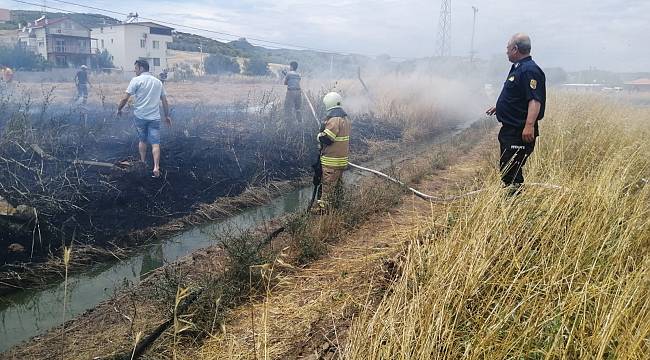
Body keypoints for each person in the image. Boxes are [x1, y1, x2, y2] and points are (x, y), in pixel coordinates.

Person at [486, 33, 546, 193]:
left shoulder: (529, 70)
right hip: (511, 130)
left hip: (519, 131)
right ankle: (511, 200)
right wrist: (500, 106)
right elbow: (518, 96)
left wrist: (529, 126)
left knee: (511, 171)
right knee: (508, 168)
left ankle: (513, 203)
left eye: (507, 48)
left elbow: (534, 100)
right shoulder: (519, 68)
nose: (506, 51)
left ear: (515, 49)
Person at [117, 59, 172, 178]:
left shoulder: (136, 80)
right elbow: (165, 101)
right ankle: (156, 167)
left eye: (136, 68)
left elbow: (125, 98)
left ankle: (142, 162)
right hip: (154, 117)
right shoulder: (158, 82)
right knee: (155, 143)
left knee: (142, 140)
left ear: (141, 68)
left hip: (140, 116)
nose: (135, 70)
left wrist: (119, 109)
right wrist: (167, 116)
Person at [316, 91, 350, 210]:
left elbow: (328, 139)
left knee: (328, 187)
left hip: (331, 161)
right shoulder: (344, 119)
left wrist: (320, 134)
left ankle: (323, 210)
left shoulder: (334, 120)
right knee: (338, 187)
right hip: (340, 160)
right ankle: (338, 208)